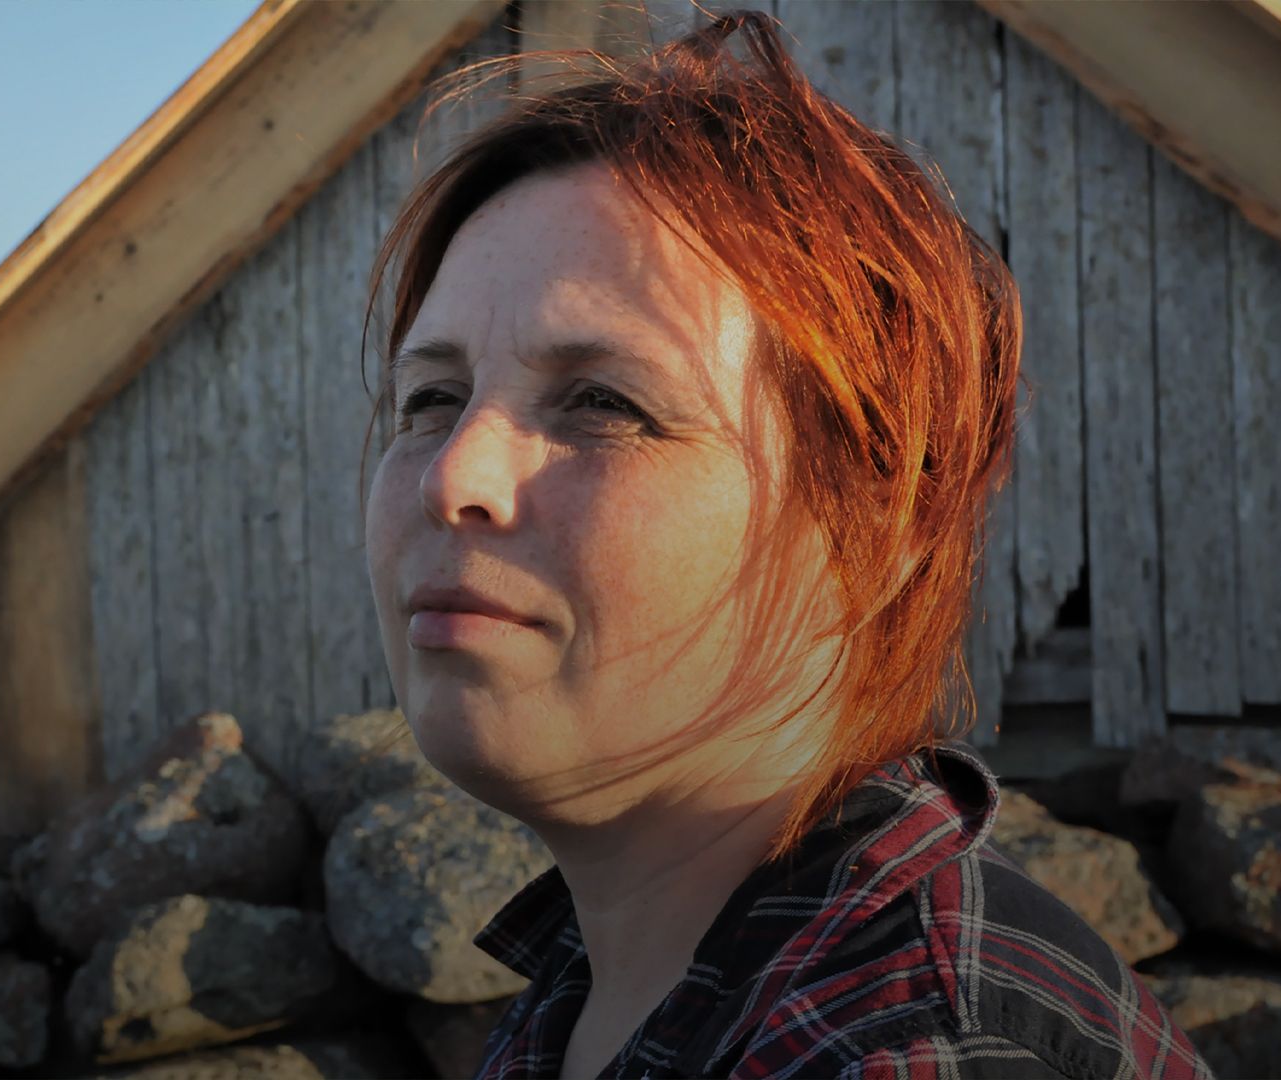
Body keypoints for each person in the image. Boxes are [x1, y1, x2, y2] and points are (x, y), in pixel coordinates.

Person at [358, 10, 1209, 1079]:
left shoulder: (911, 1051)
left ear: (879, 528)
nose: (452, 477)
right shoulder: (593, 998)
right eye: (431, 399)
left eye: (605, 403)